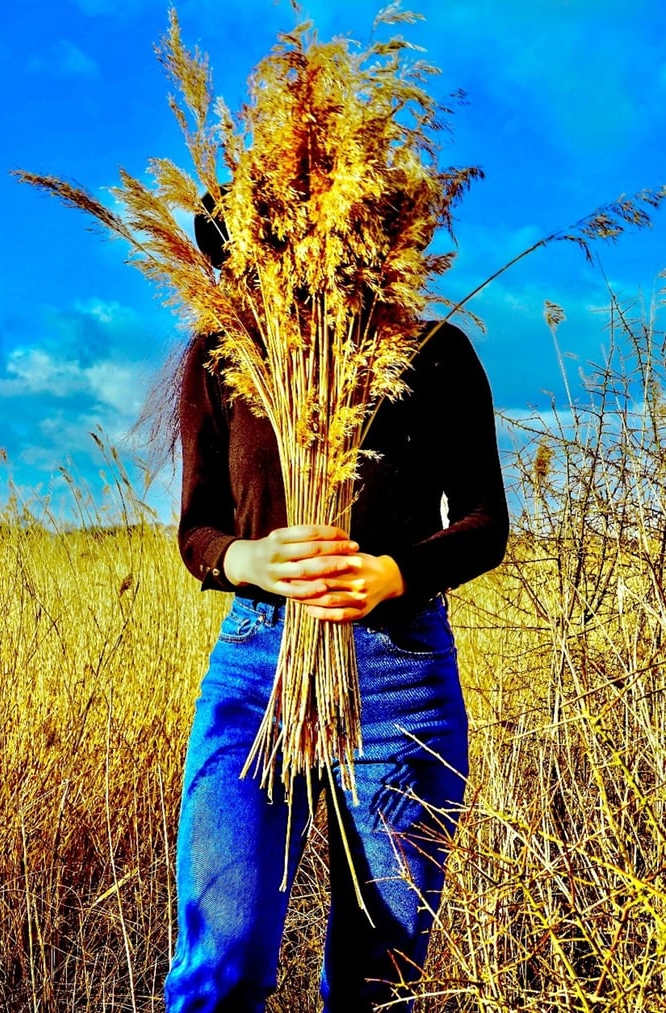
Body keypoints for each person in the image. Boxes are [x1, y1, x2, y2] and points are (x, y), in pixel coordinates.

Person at [163, 209, 509, 1013]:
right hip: (257, 666)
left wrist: (395, 573)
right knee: (224, 958)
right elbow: (197, 529)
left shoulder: (436, 354)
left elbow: (485, 524)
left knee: (375, 982)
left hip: (399, 677)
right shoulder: (225, 359)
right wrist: (246, 559)